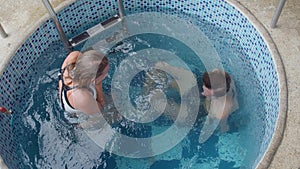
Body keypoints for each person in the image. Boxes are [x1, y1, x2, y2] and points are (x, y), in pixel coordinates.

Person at [58, 50, 109, 124]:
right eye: (105, 73)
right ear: (92, 79)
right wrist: (98, 84)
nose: (106, 75)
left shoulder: (74, 56)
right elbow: (101, 109)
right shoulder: (82, 97)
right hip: (77, 117)